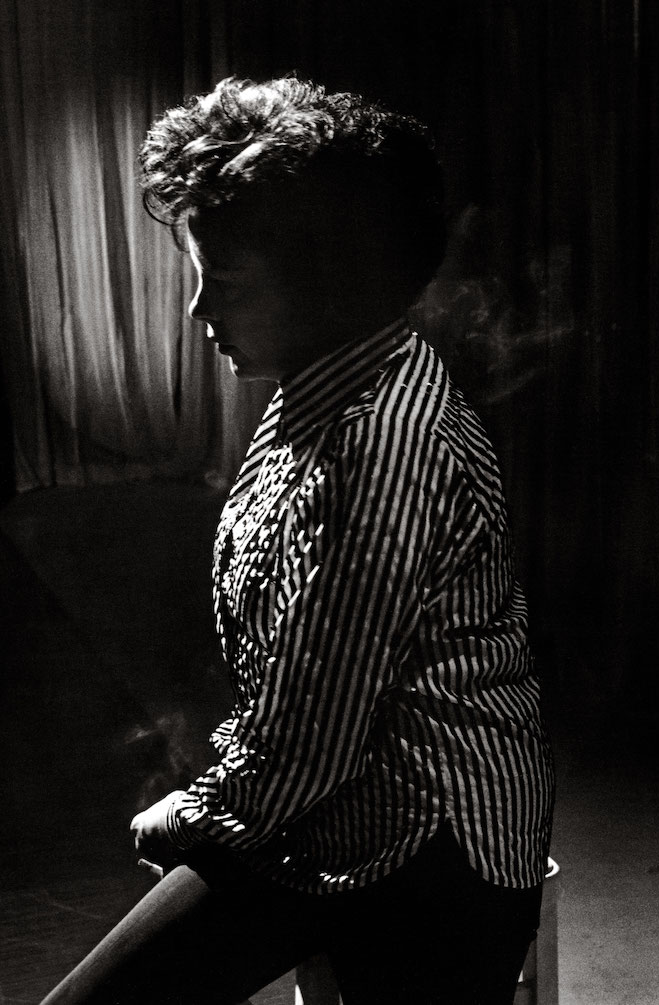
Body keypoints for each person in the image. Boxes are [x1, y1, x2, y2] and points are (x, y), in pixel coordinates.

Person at [42, 76, 555, 1005]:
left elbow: (309, 743)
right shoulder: (317, 385)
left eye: (225, 282)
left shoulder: (379, 444)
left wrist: (185, 814)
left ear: (328, 278)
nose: (201, 312)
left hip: (436, 848)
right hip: (328, 810)